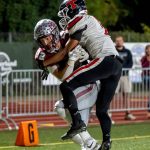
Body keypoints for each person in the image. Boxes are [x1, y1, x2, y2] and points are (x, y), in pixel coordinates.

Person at [41, 1, 123, 149]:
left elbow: (64, 52)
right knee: (102, 110)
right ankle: (107, 142)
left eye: (65, 14)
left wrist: (44, 64)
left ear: (74, 11)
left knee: (66, 86)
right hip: (116, 65)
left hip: (105, 60)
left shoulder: (78, 23)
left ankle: (77, 123)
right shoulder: (88, 20)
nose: (64, 19)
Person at [34, 19, 101, 150]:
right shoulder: (43, 55)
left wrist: (87, 54)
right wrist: (71, 60)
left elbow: (92, 45)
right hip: (73, 88)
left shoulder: (68, 37)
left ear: (55, 34)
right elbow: (63, 77)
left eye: (47, 38)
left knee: (78, 124)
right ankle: (85, 142)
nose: (45, 43)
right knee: (59, 108)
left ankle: (88, 141)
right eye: (42, 40)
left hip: (89, 84)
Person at [114, 35, 136, 120]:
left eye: (120, 40)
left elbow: (130, 63)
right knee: (112, 95)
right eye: (117, 41)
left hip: (125, 76)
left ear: (123, 41)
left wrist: (123, 69)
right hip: (115, 76)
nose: (118, 42)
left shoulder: (128, 51)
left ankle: (128, 113)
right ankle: (109, 113)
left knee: (126, 94)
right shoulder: (112, 51)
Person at [140, 44, 150, 118]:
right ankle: (149, 111)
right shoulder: (144, 58)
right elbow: (144, 66)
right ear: (146, 50)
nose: (149, 50)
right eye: (148, 49)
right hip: (146, 77)